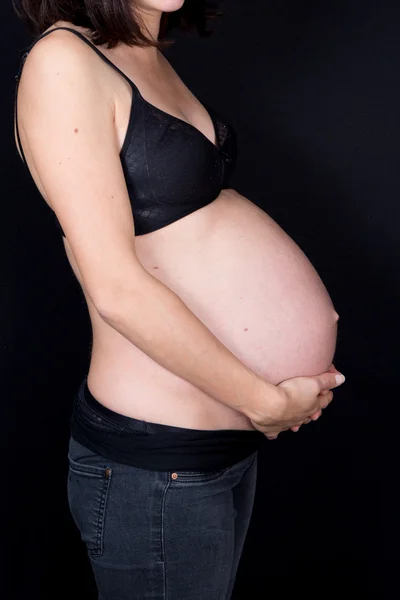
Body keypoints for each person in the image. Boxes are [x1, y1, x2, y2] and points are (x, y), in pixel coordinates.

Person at [13, 1, 345, 598]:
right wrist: (264, 402)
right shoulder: (63, 61)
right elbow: (114, 287)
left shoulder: (142, 49)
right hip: (157, 462)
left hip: (213, 445)